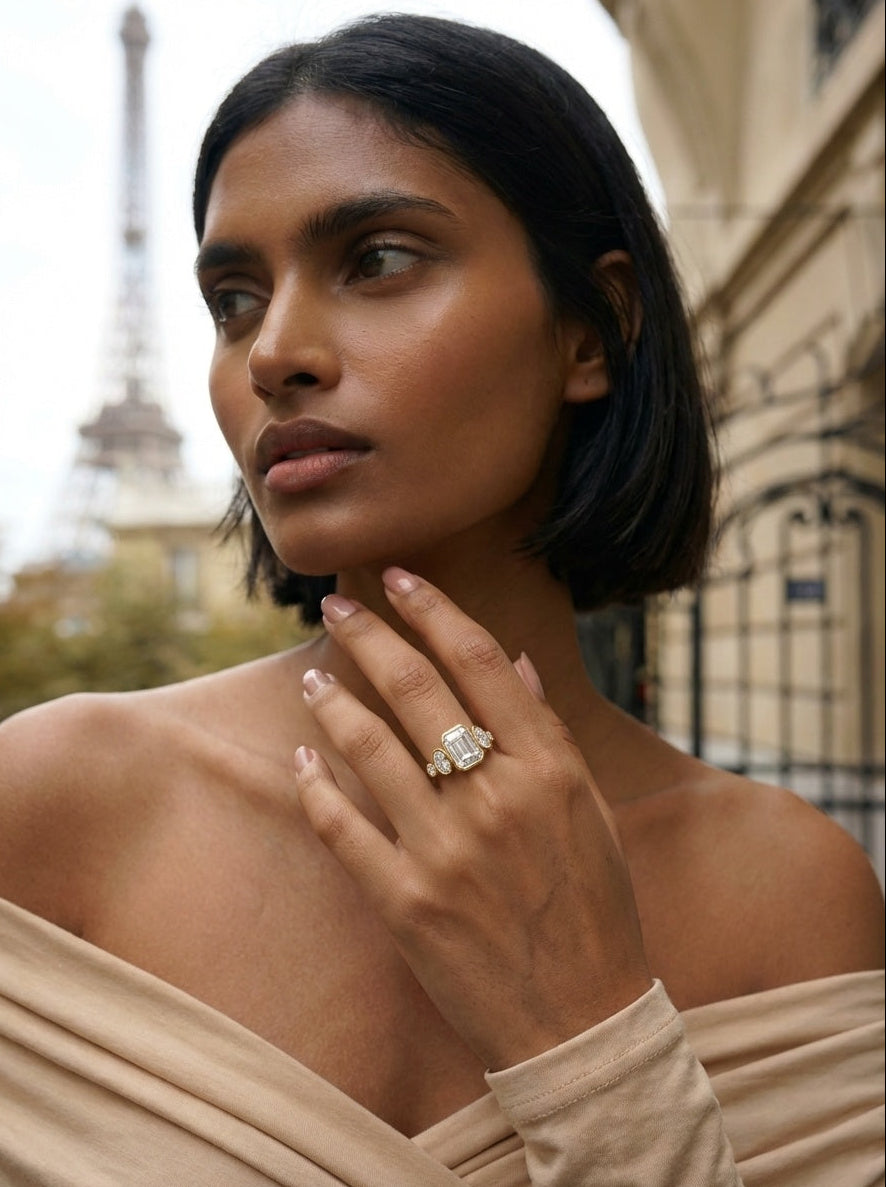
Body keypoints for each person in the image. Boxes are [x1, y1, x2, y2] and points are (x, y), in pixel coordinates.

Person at [0, 13, 882, 1186]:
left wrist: (591, 1037)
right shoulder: (56, 800)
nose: (273, 352)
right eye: (233, 298)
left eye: (377, 258)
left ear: (593, 329)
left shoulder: (791, 891)